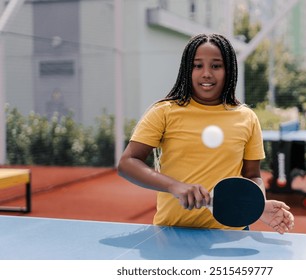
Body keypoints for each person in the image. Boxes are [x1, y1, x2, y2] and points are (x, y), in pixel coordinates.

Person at [118, 33, 294, 234]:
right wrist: (174, 186)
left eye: (216, 66)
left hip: (231, 234)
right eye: (197, 65)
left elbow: (252, 175)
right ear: (187, 70)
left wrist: (256, 206)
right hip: (173, 232)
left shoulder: (247, 117)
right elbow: (127, 162)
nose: (206, 73)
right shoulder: (163, 112)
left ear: (229, 70)